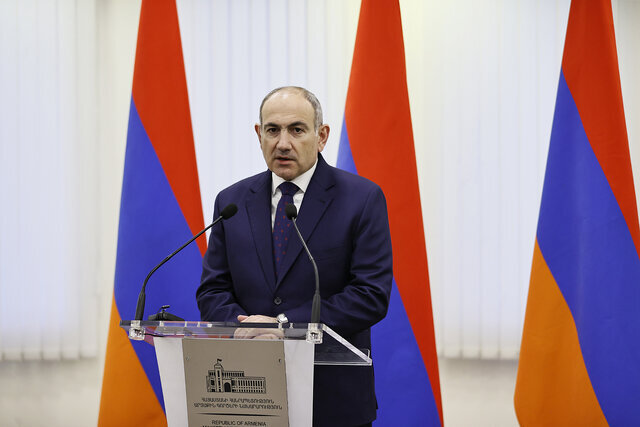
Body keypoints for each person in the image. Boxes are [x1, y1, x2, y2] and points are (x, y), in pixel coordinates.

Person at [197, 86, 393, 426]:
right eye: (272, 130)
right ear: (259, 135)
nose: (283, 143)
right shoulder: (232, 202)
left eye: (297, 130)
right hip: (248, 394)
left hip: (331, 399)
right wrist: (246, 327)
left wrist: (284, 326)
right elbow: (212, 291)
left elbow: (370, 295)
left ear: (322, 136)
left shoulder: (361, 199)